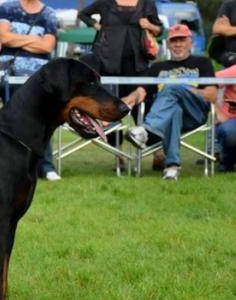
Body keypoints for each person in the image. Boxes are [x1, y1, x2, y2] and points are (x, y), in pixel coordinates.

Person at [124, 24, 217, 180]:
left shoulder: (202, 63)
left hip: (194, 113)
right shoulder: (157, 67)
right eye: (174, 41)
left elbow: (212, 95)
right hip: (167, 117)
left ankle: (146, 130)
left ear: (190, 43)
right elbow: (141, 91)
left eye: (182, 40)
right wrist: (130, 98)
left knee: (172, 87)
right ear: (168, 44)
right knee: (174, 111)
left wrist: (184, 90)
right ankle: (172, 166)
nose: (178, 44)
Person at [78, 0, 163, 169]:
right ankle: (118, 156)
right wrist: (96, 25)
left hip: (138, 65)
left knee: (143, 108)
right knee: (110, 109)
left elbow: (159, 29)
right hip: (108, 64)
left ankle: (157, 153)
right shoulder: (106, 2)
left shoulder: (147, 3)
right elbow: (83, 14)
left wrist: (148, 25)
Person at [0, 0, 59, 181]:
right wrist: (35, 40)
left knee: (42, 121)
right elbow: (4, 38)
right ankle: (12, 166)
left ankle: (46, 167)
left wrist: (17, 39)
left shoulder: (49, 13)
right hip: (11, 75)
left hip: (41, 80)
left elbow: (47, 46)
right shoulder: (6, 8)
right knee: (12, 122)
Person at [213, 65, 236, 172]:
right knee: (231, 134)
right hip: (231, 120)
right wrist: (217, 112)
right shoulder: (234, 71)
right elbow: (206, 84)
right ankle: (227, 163)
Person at [212, 0, 236, 67]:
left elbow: (224, 30)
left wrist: (229, 29)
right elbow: (217, 28)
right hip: (231, 60)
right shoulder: (229, 5)